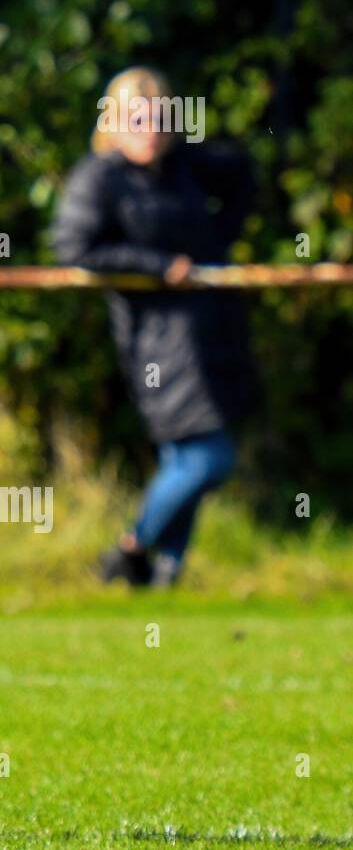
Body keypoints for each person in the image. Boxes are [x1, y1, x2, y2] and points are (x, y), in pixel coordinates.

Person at [51, 67, 257, 588]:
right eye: (137, 119)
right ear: (114, 123)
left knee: (184, 455)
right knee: (209, 458)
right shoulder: (100, 178)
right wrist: (159, 266)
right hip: (155, 339)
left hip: (209, 330)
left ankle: (164, 576)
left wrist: (217, 243)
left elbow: (244, 173)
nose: (151, 129)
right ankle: (131, 546)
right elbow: (75, 249)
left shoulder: (184, 166)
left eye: (161, 119)